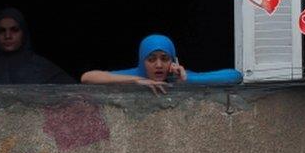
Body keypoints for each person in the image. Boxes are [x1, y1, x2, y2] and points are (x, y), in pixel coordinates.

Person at [81, 34, 242, 94]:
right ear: (142, 61)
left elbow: (235, 75)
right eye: (151, 59)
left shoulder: (178, 77)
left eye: (165, 59)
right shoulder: (135, 75)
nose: (158, 65)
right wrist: (136, 81)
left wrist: (187, 81)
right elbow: (87, 77)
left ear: (173, 61)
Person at [0, 8, 75, 84]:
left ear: (23, 34)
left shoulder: (43, 69)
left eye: (14, 30)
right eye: (1, 31)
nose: (8, 36)